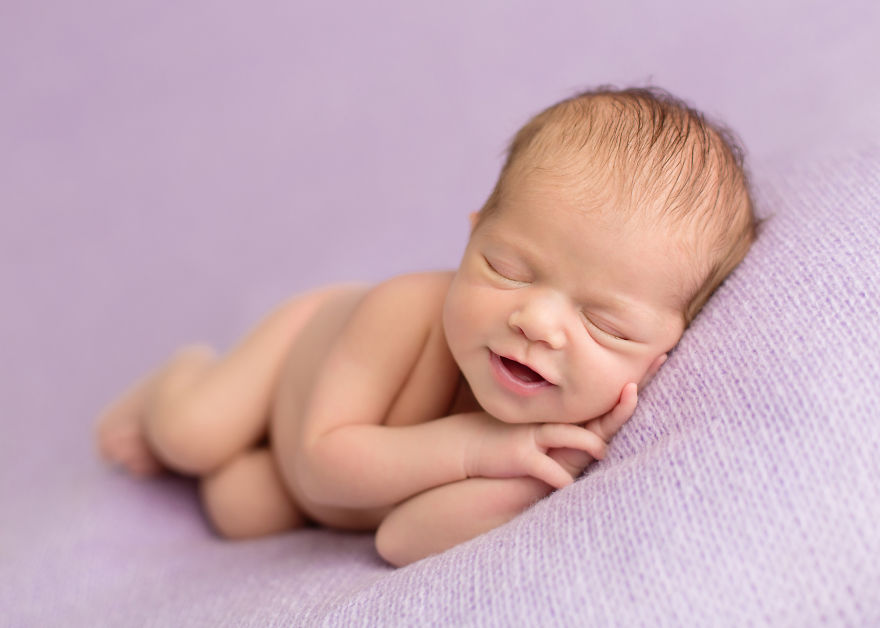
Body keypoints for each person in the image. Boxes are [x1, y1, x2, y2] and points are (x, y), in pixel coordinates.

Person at [96, 86, 757, 567]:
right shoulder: (403, 312)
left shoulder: (551, 436)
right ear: (473, 237)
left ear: (663, 355)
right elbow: (322, 463)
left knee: (239, 511)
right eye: (507, 267)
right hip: (300, 368)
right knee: (192, 435)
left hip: (321, 495)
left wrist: (536, 475)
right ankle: (180, 373)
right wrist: (476, 450)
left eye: (606, 324)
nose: (538, 322)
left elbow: (399, 539)